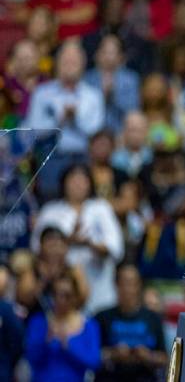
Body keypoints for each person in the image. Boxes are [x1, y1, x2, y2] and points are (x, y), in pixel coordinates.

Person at [33, 165, 124, 313]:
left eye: (82, 180)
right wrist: (68, 242)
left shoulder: (102, 208)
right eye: (73, 180)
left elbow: (116, 248)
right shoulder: (50, 211)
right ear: (64, 183)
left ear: (90, 183)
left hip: (100, 287)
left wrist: (88, 243)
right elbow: (37, 248)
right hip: (60, 290)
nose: (77, 185)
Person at [24, 41, 106, 200]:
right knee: (50, 203)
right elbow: (32, 131)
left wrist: (76, 118)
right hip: (51, 157)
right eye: (66, 61)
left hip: (83, 157)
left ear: (83, 64)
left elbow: (97, 132)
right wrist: (59, 120)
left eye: (74, 61)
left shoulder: (93, 95)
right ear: (57, 63)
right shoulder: (42, 93)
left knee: (85, 205)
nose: (70, 66)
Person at [94, 264, 167, 381]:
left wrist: (148, 356)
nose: (127, 289)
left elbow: (164, 358)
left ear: (139, 286)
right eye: (123, 283)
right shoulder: (102, 317)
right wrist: (113, 354)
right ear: (116, 285)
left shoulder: (153, 318)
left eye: (132, 283)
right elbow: (91, 355)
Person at [24, 271, 102, 382]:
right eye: (56, 294)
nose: (60, 300)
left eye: (66, 295)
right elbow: (31, 358)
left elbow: (94, 362)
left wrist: (68, 345)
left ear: (75, 296)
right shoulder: (39, 322)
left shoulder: (89, 326)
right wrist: (45, 340)